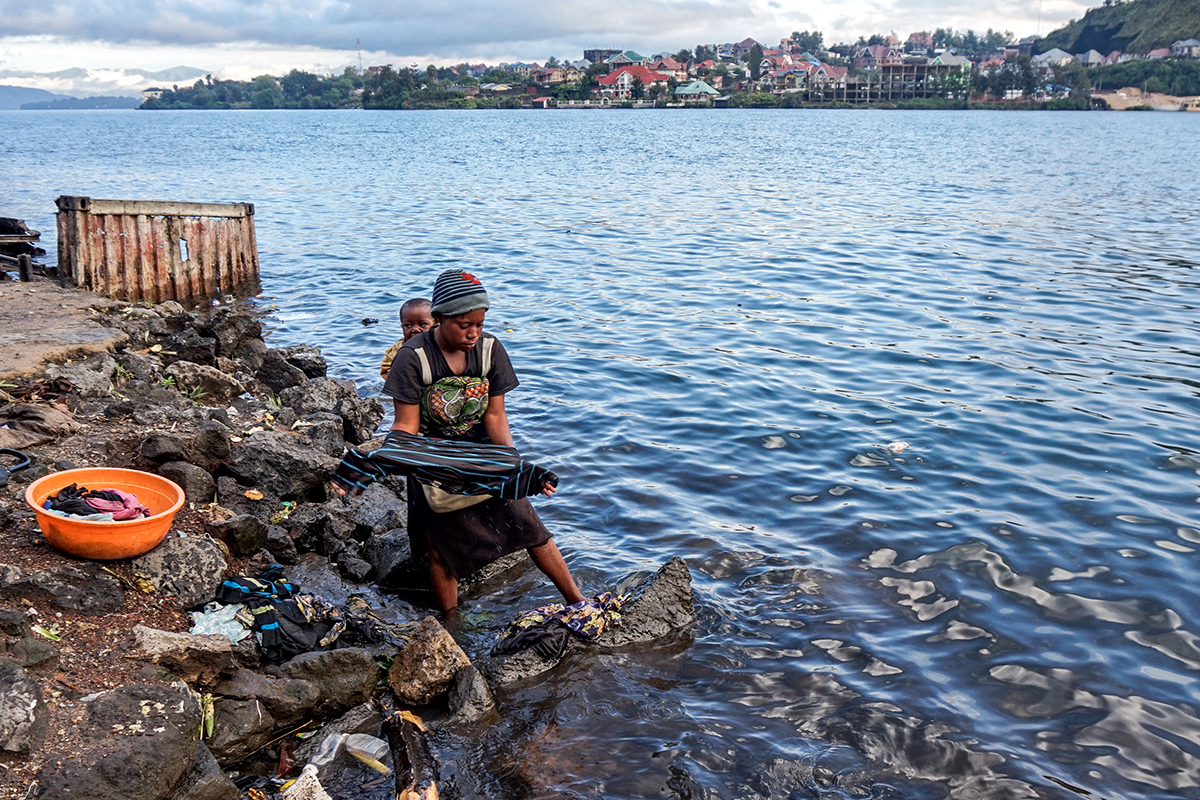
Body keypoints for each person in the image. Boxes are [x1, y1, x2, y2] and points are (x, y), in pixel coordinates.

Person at [380, 269, 584, 612]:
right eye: (465, 325)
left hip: (484, 455)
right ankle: (451, 624)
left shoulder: (490, 351)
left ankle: (577, 602)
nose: (474, 333)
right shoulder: (412, 359)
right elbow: (406, 427)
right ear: (440, 318)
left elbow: (494, 416)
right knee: (440, 551)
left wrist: (514, 467)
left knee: (531, 529)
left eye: (480, 322)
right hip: (433, 460)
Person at [379, 297, 434, 380]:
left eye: (422, 324)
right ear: (402, 327)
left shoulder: (440, 344)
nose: (415, 329)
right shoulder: (399, 348)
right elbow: (386, 368)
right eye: (408, 325)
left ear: (436, 324)